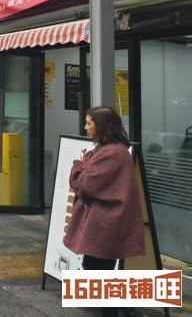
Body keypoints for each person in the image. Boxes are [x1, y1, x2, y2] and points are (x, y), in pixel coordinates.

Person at [63, 106, 144, 316]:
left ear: (102, 125)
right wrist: (81, 167)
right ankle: (126, 309)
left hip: (105, 226)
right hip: (102, 224)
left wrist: (77, 166)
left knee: (99, 274)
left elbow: (84, 184)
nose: (85, 127)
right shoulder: (107, 149)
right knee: (99, 272)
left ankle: (125, 310)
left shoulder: (113, 153)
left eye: (89, 123)